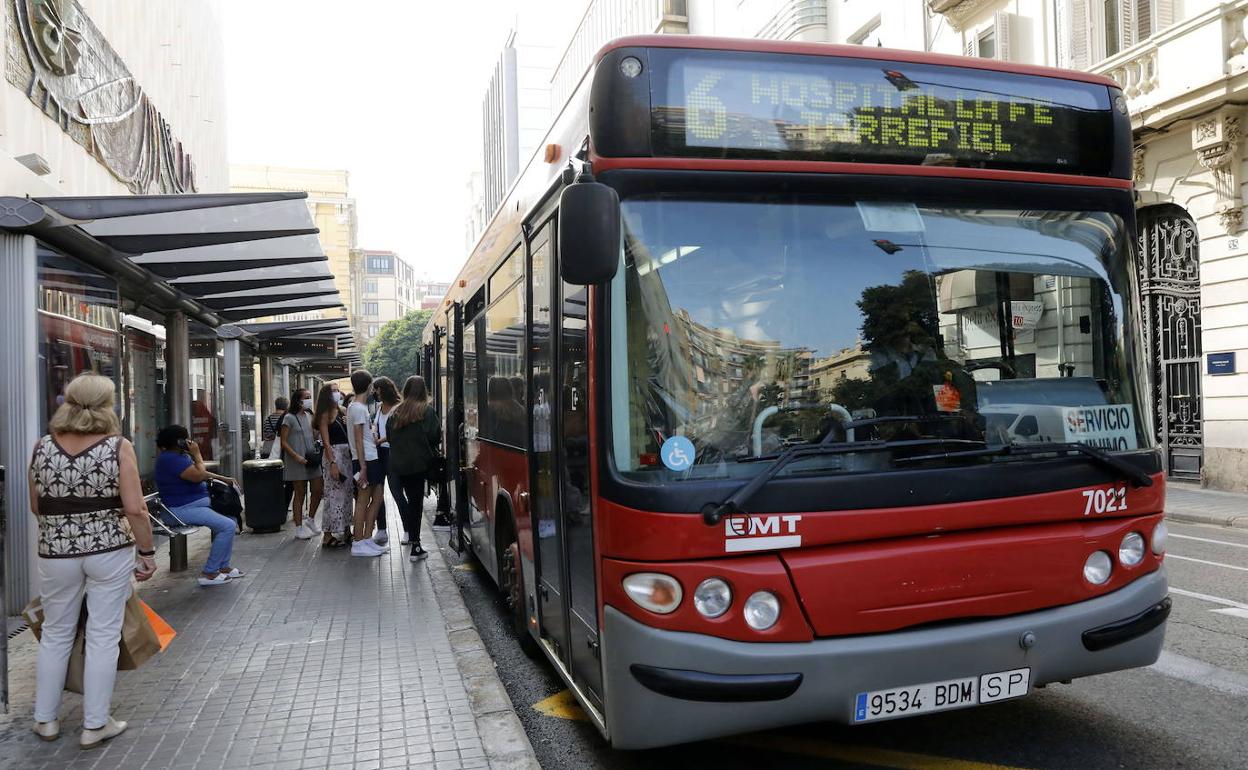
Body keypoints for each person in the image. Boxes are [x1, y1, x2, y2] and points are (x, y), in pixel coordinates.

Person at [29, 373, 157, 748]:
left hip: (56, 553)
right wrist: (146, 553)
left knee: (55, 633)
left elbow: (37, 506)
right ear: (107, 405)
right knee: (102, 634)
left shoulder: (42, 447)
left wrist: (65, 532)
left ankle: (45, 720)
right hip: (108, 551)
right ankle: (94, 724)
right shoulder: (118, 447)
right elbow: (135, 508)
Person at [153, 425, 244, 586]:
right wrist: (197, 454)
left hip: (196, 505)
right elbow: (198, 475)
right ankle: (209, 572)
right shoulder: (169, 459)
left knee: (231, 517)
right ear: (179, 441)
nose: (190, 442)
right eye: (186, 438)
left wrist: (223, 478)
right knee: (227, 526)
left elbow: (198, 472)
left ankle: (223, 566)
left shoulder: (179, 456)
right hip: (181, 509)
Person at [388, 375, 442, 561]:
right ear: (423, 390)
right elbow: (435, 436)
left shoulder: (396, 412)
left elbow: (389, 436)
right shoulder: (426, 412)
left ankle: (411, 539)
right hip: (418, 465)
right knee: (415, 503)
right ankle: (416, 546)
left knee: (409, 502)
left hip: (397, 464)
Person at [347, 369, 387, 557]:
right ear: (370, 386)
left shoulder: (357, 408)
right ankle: (358, 541)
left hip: (371, 458)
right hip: (366, 461)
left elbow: (361, 437)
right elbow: (357, 440)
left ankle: (366, 538)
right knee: (363, 501)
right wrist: (362, 466)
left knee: (377, 497)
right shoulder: (357, 408)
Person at [280, 387, 324, 540]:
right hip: (296, 460)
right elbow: (283, 441)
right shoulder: (289, 418)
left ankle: (310, 519)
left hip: (311, 458)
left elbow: (314, 435)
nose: (309, 399)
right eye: (307, 397)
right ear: (298, 400)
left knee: (318, 489)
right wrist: (296, 456)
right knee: (300, 493)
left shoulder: (309, 416)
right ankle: (298, 527)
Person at [314, 382, 352, 548]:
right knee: (333, 495)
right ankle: (328, 535)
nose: (337, 393)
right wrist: (332, 463)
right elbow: (326, 442)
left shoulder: (343, 411)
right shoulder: (325, 414)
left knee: (347, 495)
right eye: (333, 391)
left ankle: (346, 530)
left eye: (338, 390)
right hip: (334, 455)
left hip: (347, 455)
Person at [371, 376, 402, 546]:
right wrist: (374, 432)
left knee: (396, 491)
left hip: (393, 453)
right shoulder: (379, 407)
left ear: (381, 389)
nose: (373, 393)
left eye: (375, 389)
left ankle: (407, 530)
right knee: (378, 492)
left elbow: (396, 433)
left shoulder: (398, 408)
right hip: (379, 453)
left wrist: (380, 440)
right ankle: (381, 529)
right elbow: (377, 425)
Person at [261, 396, 294, 511]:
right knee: (283, 479)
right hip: (280, 451)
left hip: (267, 450)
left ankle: (271, 501)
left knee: (270, 479)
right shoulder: (287, 418)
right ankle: (283, 504)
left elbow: (266, 434)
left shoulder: (268, 418)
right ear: (286, 406)